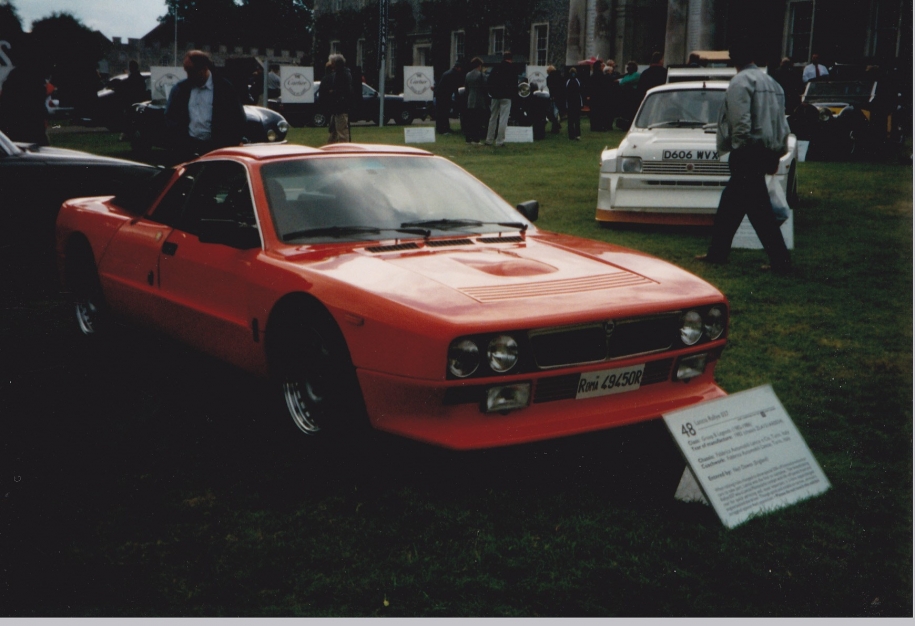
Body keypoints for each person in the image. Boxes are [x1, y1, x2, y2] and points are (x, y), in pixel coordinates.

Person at [696, 40, 792, 275]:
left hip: (747, 150)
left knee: (756, 210)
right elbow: (781, 122)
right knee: (732, 204)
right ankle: (718, 252)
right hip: (765, 149)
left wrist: (740, 148)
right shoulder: (772, 83)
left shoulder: (740, 82)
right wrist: (777, 151)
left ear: (732, 60)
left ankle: (780, 260)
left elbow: (741, 122)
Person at [164, 50, 246, 161]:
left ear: (204, 69)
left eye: (191, 71)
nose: (188, 75)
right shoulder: (180, 89)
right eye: (186, 71)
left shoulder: (225, 89)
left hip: (216, 149)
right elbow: (170, 116)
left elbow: (238, 119)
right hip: (187, 148)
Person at [0, 46, 51, 145]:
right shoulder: (34, 79)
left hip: (11, 129)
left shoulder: (14, 76)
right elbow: (38, 106)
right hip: (30, 130)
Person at [485, 51, 515, 147]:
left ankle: (489, 139)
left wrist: (492, 92)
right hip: (506, 96)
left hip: (495, 96)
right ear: (511, 59)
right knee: (503, 118)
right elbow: (514, 84)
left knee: (493, 117)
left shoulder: (496, 67)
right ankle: (499, 141)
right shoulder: (512, 69)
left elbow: (489, 80)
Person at [325, 53, 353, 143]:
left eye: (332, 62)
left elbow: (345, 90)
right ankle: (330, 147)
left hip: (340, 107)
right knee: (333, 131)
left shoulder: (342, 74)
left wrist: (333, 92)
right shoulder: (342, 73)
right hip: (337, 108)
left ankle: (344, 149)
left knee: (341, 132)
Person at [462, 57, 488, 144]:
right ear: (479, 65)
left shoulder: (468, 75)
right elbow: (485, 87)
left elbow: (466, 88)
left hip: (470, 99)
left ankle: (468, 139)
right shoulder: (481, 75)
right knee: (478, 121)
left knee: (470, 121)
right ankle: (476, 139)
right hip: (479, 100)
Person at [434, 61, 462, 135]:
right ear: (457, 68)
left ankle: (444, 128)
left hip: (441, 95)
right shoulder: (453, 74)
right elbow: (455, 87)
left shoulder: (448, 73)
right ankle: (443, 129)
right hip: (444, 95)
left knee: (442, 113)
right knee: (444, 113)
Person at [565, 66, 582, 141]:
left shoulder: (568, 81)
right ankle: (577, 135)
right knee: (577, 120)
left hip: (570, 102)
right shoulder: (578, 81)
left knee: (570, 120)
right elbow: (580, 91)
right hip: (577, 101)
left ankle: (571, 135)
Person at [545, 65, 564, 133]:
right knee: (557, 112)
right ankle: (556, 125)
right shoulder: (560, 76)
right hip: (561, 97)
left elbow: (550, 87)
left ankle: (555, 126)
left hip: (553, 97)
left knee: (552, 112)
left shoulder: (549, 78)